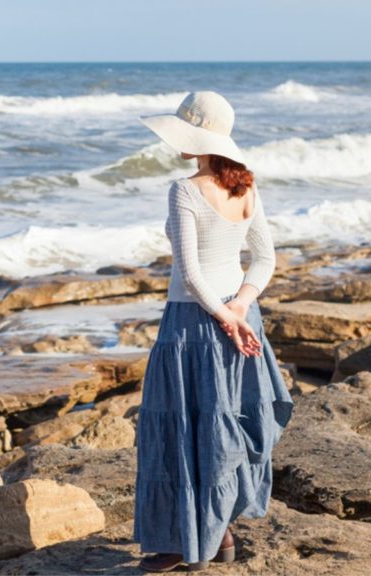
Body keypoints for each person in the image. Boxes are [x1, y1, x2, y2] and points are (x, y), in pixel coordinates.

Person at [132, 91, 295, 572]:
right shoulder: (246, 188)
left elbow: (188, 271)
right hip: (241, 322)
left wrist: (226, 316)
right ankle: (217, 536)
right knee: (221, 427)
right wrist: (241, 308)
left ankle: (189, 542)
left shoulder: (184, 190)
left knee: (184, 429)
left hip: (194, 324)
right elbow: (264, 260)